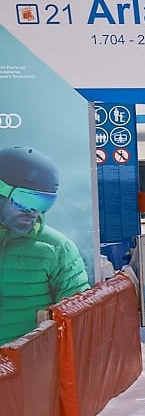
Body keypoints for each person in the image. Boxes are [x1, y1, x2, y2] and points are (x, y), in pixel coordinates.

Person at [0, 146, 90, 346]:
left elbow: (78, 320)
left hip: (26, 368)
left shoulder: (57, 249)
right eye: (24, 200)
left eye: (44, 203)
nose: (33, 212)